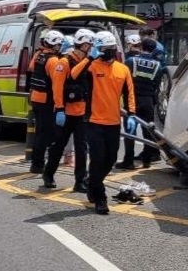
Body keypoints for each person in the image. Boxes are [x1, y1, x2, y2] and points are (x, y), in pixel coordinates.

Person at [70, 30, 136, 215]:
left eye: (112, 48)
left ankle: (91, 182)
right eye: (106, 49)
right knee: (98, 159)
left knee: (111, 159)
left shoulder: (123, 69)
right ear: (99, 50)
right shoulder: (91, 67)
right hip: (93, 121)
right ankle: (101, 198)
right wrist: (89, 58)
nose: (110, 52)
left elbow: (129, 93)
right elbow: (74, 75)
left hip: (114, 122)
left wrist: (131, 114)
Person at [42, 28, 96, 192]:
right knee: (58, 146)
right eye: (90, 44)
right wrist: (59, 108)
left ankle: (80, 181)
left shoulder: (89, 62)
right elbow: (57, 87)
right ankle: (48, 174)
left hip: (82, 113)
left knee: (82, 148)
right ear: (84, 44)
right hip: (65, 112)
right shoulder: (64, 62)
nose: (91, 47)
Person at [116, 37, 163, 170]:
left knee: (130, 131)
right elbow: (157, 85)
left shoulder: (131, 61)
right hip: (148, 100)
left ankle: (128, 160)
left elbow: (123, 80)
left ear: (141, 46)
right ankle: (147, 160)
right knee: (147, 131)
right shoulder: (158, 65)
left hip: (132, 99)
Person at [28, 29, 68, 175]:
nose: (61, 47)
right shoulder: (53, 60)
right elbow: (57, 83)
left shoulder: (39, 55)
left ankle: (36, 162)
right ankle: (38, 164)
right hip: (46, 100)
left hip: (35, 98)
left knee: (40, 133)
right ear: (55, 45)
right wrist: (59, 106)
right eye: (59, 44)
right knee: (45, 135)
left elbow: (31, 68)